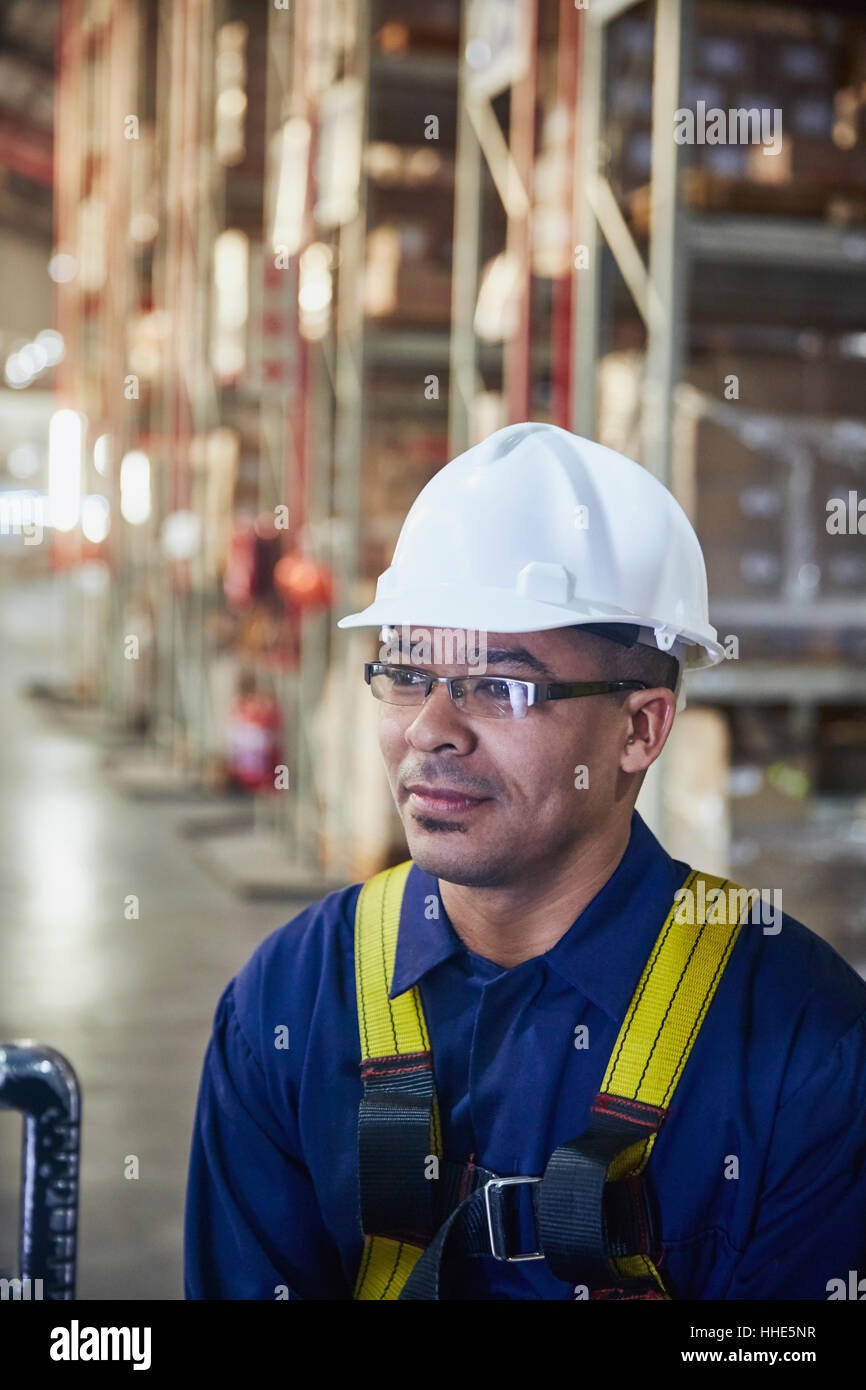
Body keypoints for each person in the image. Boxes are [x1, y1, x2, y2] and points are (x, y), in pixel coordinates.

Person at [184, 422, 866, 1300]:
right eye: (408, 671)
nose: (431, 729)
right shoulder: (288, 1002)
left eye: (503, 686)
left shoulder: (803, 1044)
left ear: (640, 728)